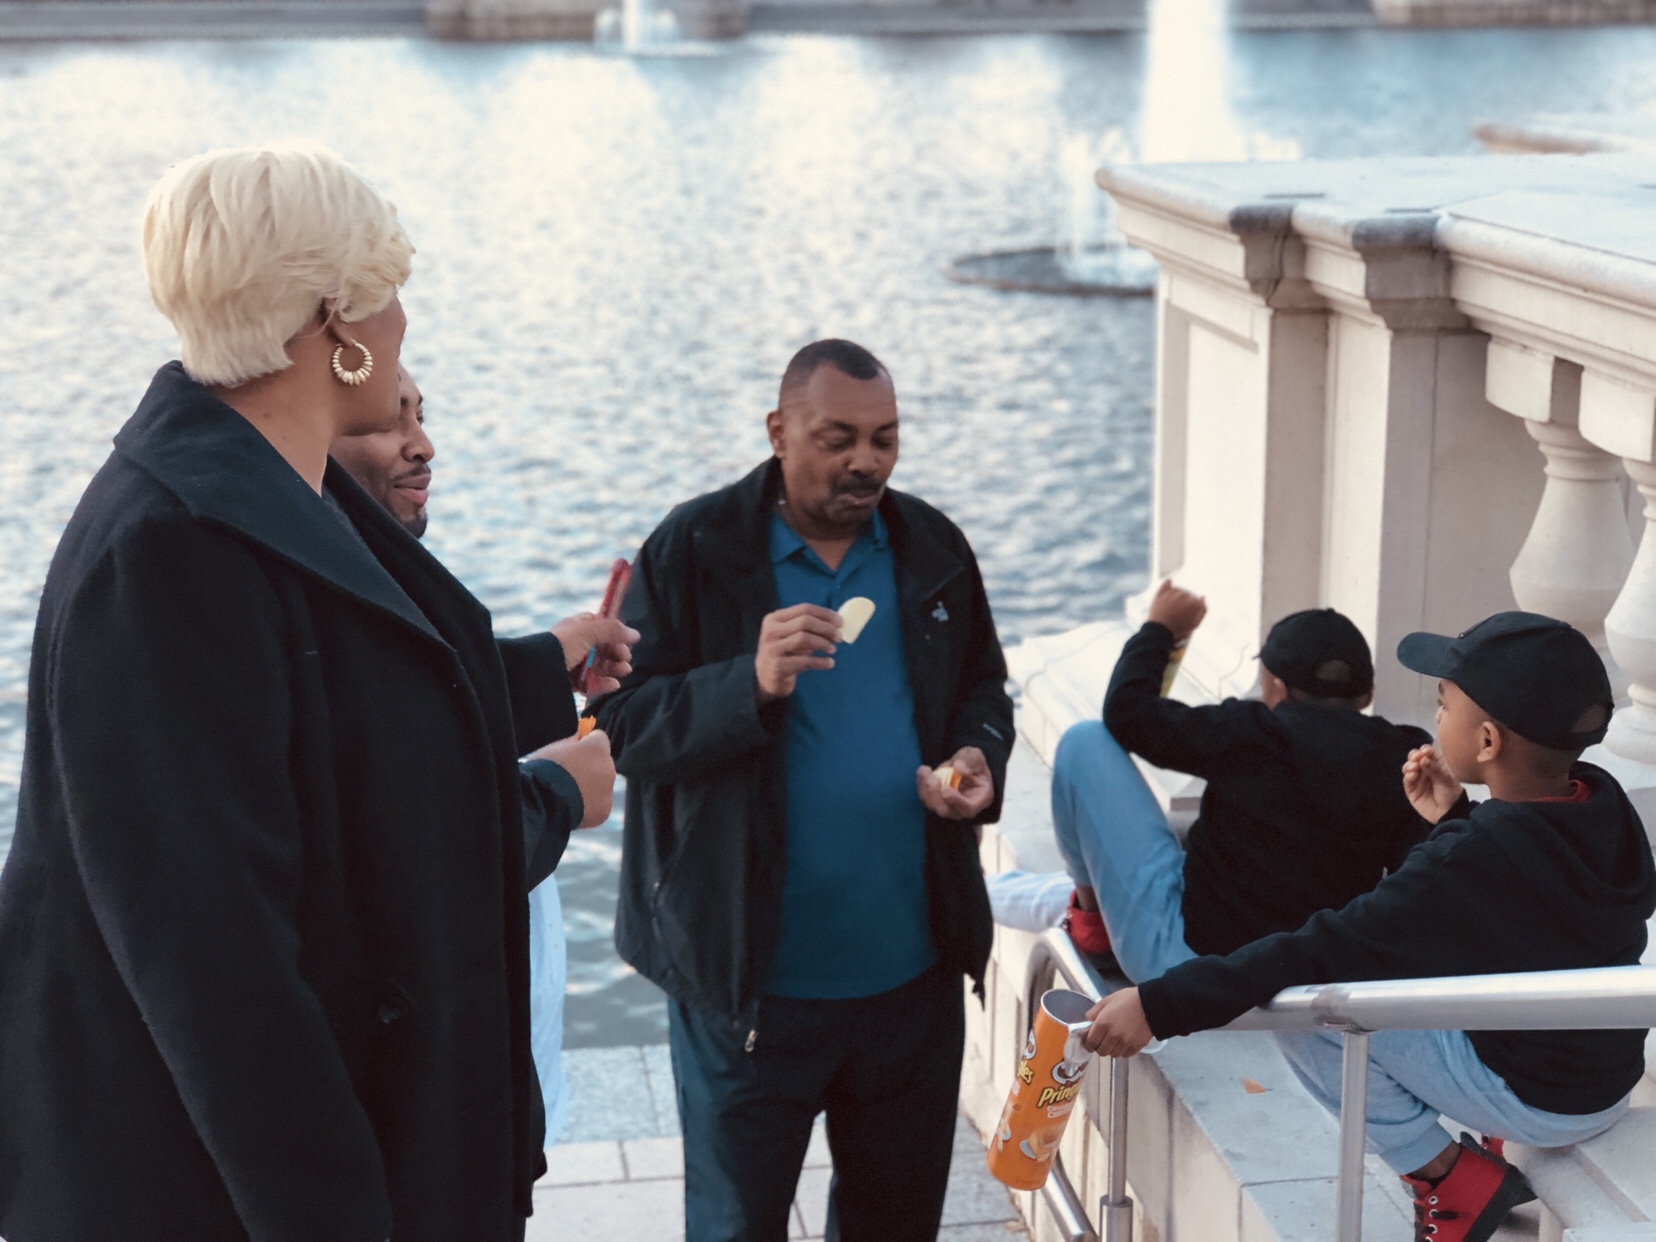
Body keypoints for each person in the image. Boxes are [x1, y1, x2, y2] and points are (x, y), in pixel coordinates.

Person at [0, 142, 617, 1242]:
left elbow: (349, 711)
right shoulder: (168, 554)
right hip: (206, 1197)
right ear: (336, 321)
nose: (402, 324)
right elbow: (218, 972)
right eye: (390, 297)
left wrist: (536, 672)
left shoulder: (282, 485)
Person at [594, 339, 1015, 1242]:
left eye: (884, 438)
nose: (866, 460)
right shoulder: (694, 548)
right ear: (779, 432)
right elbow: (620, 724)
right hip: (748, 990)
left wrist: (978, 758)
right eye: (837, 438)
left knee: (894, 1225)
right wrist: (745, 683)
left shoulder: (931, 545)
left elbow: (983, 687)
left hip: (911, 985)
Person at [1082, 612, 1656, 1242]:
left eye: (1444, 705)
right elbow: (1521, 900)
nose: (1436, 717)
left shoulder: (1469, 856)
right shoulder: (1600, 801)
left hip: (1538, 1099)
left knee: (1307, 1009)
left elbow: (1329, 946)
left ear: (1488, 741)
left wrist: (1159, 1005)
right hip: (1603, 1079)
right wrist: (1454, 817)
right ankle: (1485, 1139)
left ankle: (1446, 1178)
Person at [331, 363, 637, 1143]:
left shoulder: (376, 578)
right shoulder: (331, 602)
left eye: (421, 415)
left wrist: (543, 667)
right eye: (389, 420)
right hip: (419, 1094)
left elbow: (424, 717)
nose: (422, 445)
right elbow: (412, 849)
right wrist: (558, 792)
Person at [1050, 581, 1434, 982]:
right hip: (1311, 976)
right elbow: (1414, 874)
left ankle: (1092, 925)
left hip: (1191, 969)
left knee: (1084, 742)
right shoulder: (1401, 758)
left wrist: (1159, 630)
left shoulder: (1253, 733)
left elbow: (1127, 713)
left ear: (1277, 688)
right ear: (1367, 694)